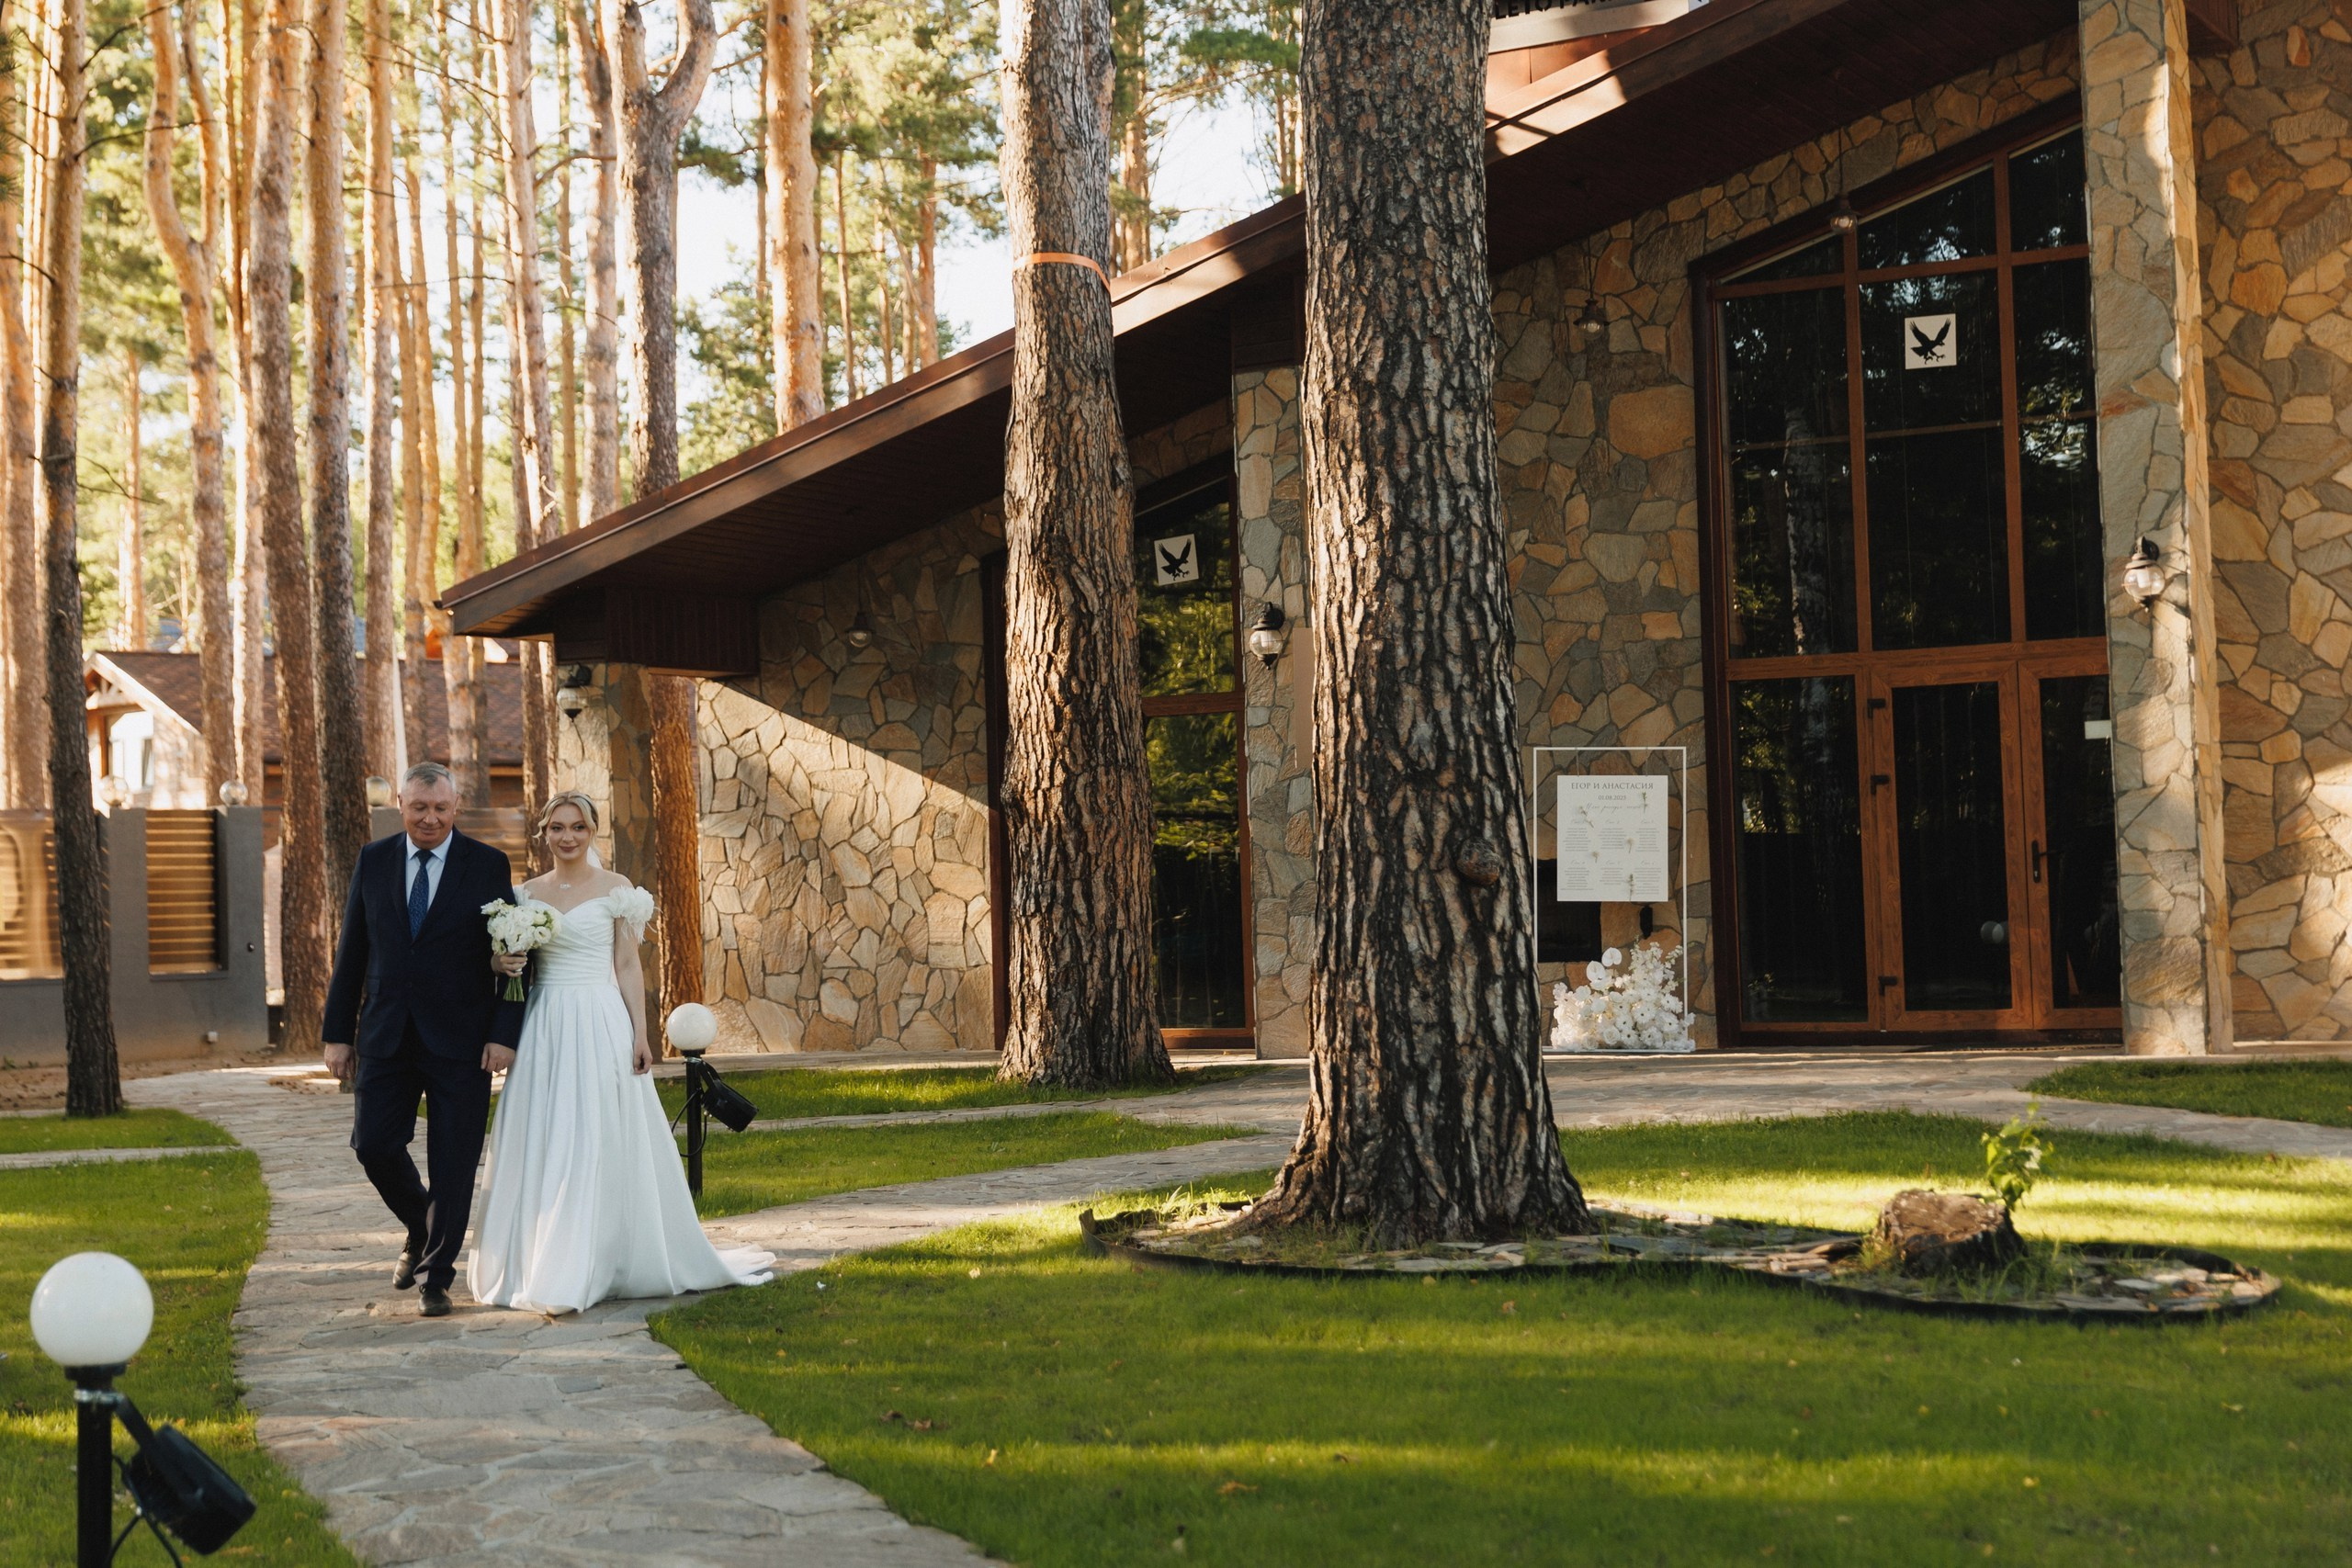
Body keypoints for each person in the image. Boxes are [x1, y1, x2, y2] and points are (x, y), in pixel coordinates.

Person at [469, 791, 773, 1314]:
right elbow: (502, 962)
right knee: (549, 1130)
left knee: (598, 1129)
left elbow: (628, 966)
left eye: (578, 827)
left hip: (601, 1018)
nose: (568, 837)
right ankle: (540, 1257)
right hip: (544, 1022)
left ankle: (601, 1255)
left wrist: (640, 1034)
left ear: (592, 833)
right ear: (544, 834)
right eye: (558, 828)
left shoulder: (617, 890)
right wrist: (502, 966)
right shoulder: (523, 894)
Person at [322, 761, 523, 1319]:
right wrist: (338, 1035)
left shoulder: (486, 865)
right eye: (418, 808)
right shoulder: (374, 859)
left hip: (462, 1039)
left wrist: (504, 1035)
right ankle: (419, 1225)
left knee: (454, 1162)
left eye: (440, 808)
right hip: (385, 1033)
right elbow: (352, 953)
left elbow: (515, 954)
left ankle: (436, 1277)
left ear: (456, 808)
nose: (429, 818)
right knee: (373, 1144)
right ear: (402, 807)